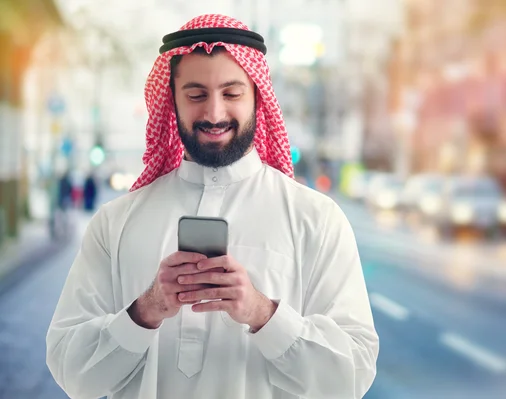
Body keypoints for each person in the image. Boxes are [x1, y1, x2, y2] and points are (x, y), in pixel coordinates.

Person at [46, 14, 378, 399]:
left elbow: (352, 376)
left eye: (232, 93)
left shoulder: (316, 220)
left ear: (258, 98)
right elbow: (72, 372)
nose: (215, 113)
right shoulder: (115, 223)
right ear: (173, 102)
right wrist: (146, 310)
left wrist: (262, 314)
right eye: (196, 94)